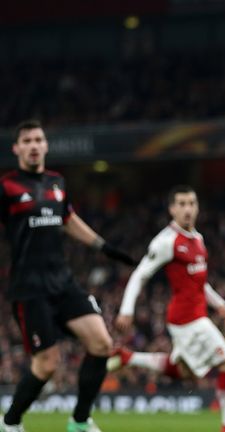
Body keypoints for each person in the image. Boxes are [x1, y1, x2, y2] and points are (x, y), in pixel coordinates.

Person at [0, 120, 136, 432]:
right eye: (27, 141)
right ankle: (10, 423)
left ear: (45, 146)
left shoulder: (57, 182)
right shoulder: (7, 187)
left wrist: (104, 247)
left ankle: (78, 421)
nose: (34, 145)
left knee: (102, 344)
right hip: (29, 288)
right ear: (17, 148)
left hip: (63, 281)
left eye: (38, 140)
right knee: (46, 365)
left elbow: (68, 219)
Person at [110, 185, 225, 432]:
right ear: (172, 209)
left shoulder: (197, 238)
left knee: (185, 373)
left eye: (192, 203)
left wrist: (219, 303)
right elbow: (139, 275)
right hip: (187, 319)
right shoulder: (166, 241)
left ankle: (128, 357)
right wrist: (127, 310)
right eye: (182, 204)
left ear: (197, 207)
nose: (188, 209)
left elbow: (200, 281)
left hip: (196, 315)